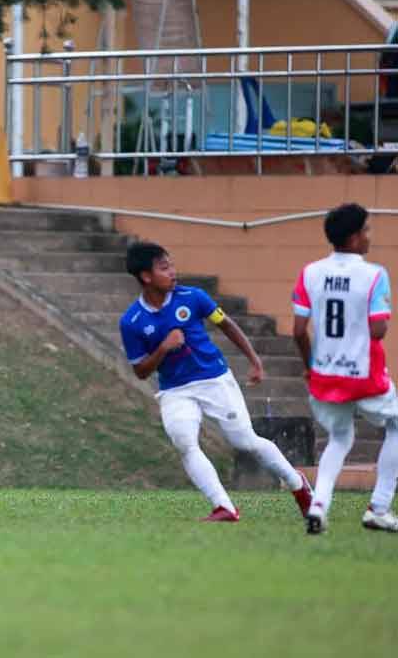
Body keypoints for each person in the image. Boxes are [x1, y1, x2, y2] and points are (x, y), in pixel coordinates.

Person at [119, 242, 312, 522]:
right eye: (164, 268)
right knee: (184, 442)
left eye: (171, 265)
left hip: (214, 380)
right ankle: (224, 506)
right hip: (175, 391)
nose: (173, 272)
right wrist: (163, 348)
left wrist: (254, 360)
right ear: (145, 277)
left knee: (245, 441)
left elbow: (226, 324)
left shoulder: (194, 297)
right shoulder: (132, 321)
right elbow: (140, 372)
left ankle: (298, 485)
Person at [292, 202, 398, 534]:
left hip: (324, 375)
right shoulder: (374, 275)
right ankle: (379, 507)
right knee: (396, 426)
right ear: (354, 238)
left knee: (339, 438)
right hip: (364, 375)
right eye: (366, 230)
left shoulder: (310, 272)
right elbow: (379, 330)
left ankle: (319, 505)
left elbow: (298, 330)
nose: (369, 237)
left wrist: (311, 366)